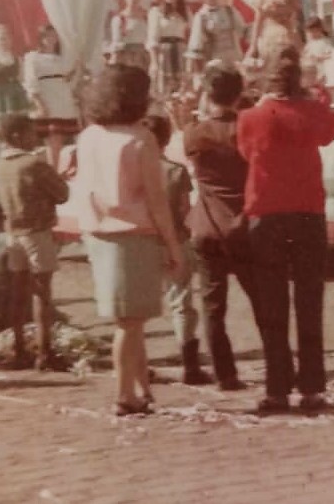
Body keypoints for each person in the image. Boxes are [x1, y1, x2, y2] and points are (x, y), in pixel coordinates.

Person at [75, 65, 183, 416]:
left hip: (97, 233)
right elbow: (156, 199)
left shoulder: (89, 135)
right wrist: (173, 244)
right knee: (130, 323)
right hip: (133, 235)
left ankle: (141, 388)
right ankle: (124, 394)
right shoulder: (139, 139)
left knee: (130, 321)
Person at [237, 47, 334, 415]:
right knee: (309, 303)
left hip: (266, 213)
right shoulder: (312, 112)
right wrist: (312, 98)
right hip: (308, 211)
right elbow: (330, 134)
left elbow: (247, 153)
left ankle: (277, 387)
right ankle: (312, 387)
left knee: (272, 306)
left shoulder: (251, 116)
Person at [183, 69, 261, 391]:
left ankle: (225, 374)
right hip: (244, 224)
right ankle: (280, 365)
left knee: (213, 306)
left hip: (207, 225)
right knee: (263, 301)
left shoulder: (194, 134)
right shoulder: (247, 130)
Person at [0, 114, 69, 370]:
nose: (34, 137)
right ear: (17, 135)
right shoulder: (34, 163)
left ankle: (19, 348)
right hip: (37, 232)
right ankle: (44, 351)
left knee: (19, 292)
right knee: (42, 293)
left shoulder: (0, 165)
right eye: (30, 132)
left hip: (12, 233)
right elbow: (62, 194)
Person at [144, 113, 210, 386]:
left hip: (144, 242)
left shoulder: (136, 171)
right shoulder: (175, 171)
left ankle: (141, 362)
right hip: (176, 240)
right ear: (167, 138)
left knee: (140, 308)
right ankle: (190, 365)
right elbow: (184, 210)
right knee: (181, 303)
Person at [245, 0, 302, 68]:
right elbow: (258, 23)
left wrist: (296, 39)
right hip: (270, 37)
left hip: (287, 35)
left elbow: (294, 20)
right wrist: (253, 46)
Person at [186, 0, 244, 77]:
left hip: (234, 58)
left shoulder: (229, 11)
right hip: (215, 61)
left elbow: (244, 30)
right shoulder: (201, 17)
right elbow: (195, 45)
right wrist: (191, 72)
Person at [22, 25, 78, 124]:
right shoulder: (33, 58)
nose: (51, 39)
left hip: (64, 100)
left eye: (53, 36)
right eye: (47, 36)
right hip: (48, 99)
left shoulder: (61, 59)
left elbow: (67, 79)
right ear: (41, 38)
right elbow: (31, 83)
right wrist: (40, 105)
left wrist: (78, 66)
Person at [147, 0, 190, 97]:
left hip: (180, 50)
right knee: (163, 87)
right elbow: (152, 38)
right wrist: (154, 62)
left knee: (181, 86)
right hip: (164, 51)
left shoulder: (185, 12)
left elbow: (192, 33)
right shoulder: (156, 12)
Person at [110, 0, 149, 70]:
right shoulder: (120, 19)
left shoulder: (146, 18)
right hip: (126, 58)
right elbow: (117, 43)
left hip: (142, 58)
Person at [0, 24, 28, 117]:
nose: (5, 41)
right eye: (1, 38)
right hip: (0, 100)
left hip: (18, 97)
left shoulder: (17, 59)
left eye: (8, 38)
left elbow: (22, 79)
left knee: (21, 123)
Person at [301, 16, 333, 82]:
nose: (312, 34)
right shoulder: (309, 43)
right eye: (310, 32)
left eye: (314, 31)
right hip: (310, 72)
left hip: (321, 71)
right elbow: (304, 54)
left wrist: (319, 57)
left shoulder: (324, 42)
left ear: (320, 29)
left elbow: (329, 55)